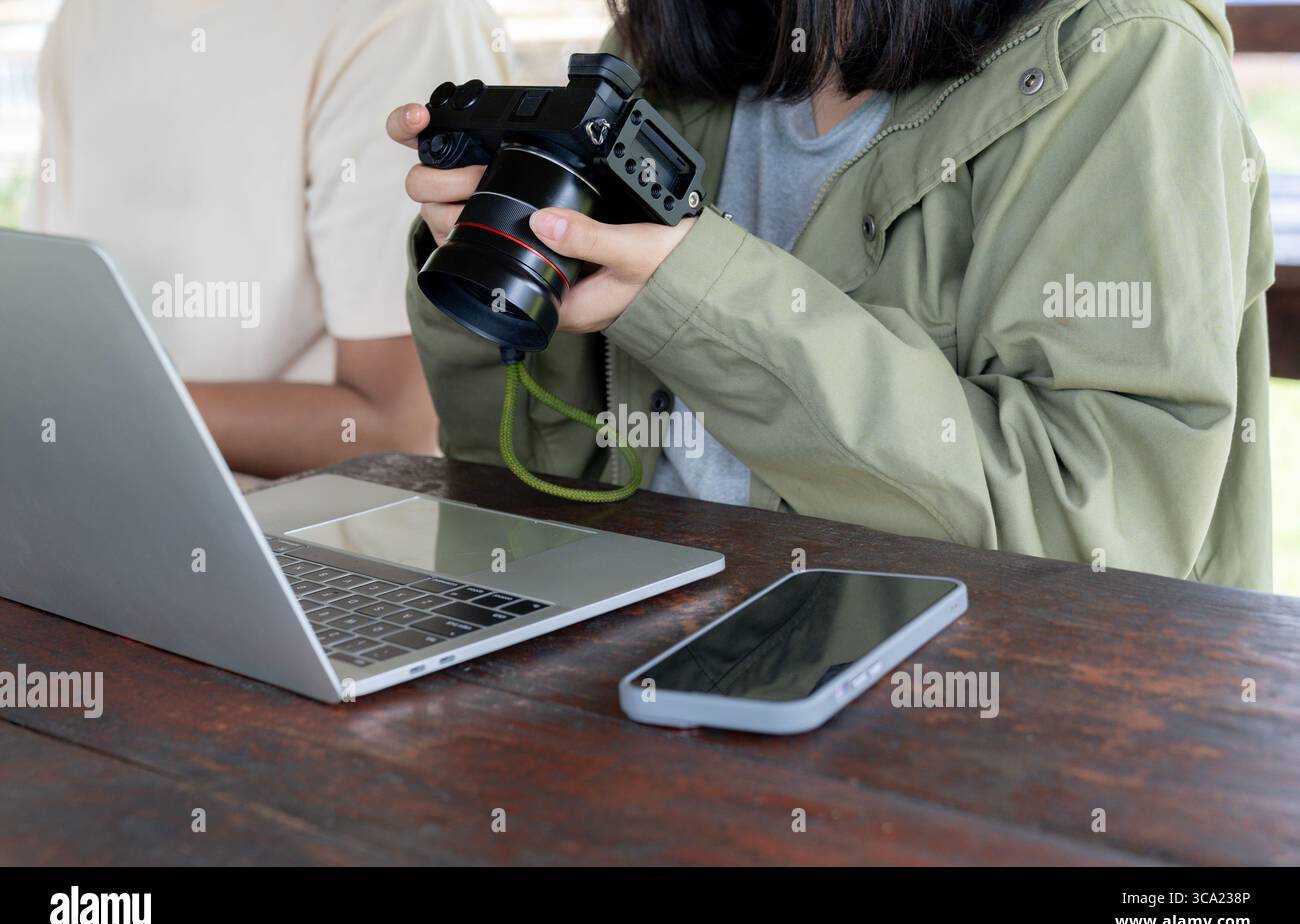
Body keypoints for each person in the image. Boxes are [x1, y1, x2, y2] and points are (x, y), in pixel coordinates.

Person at [391, 0, 1274, 590]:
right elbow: (525, 484)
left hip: (958, 740)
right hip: (635, 669)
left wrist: (702, 297)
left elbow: (1096, 540)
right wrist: (489, 264)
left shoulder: (1124, 56)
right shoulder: (666, 54)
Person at [26, 0, 508, 478]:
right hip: (94, 491)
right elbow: (54, 325)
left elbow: (403, 432)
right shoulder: (85, 18)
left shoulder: (403, 20)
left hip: (298, 533)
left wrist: (84, 410)